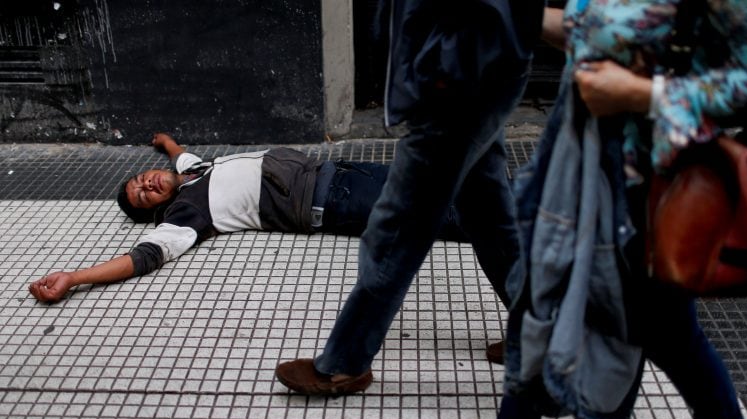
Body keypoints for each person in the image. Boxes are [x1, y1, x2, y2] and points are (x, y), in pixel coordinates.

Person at [436, 0, 747, 419]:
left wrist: (642, 94)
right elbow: (593, 25)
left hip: (652, 188)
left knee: (666, 328)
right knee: (536, 292)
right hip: (582, 168)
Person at [275, 1, 545, 392]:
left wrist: (439, 65)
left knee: (398, 224)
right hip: (473, 66)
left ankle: (344, 361)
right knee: (486, 208)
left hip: (462, 77)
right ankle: (537, 334)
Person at [28, 133, 471, 303]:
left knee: (437, 180)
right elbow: (145, 256)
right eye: (143, 196)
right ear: (154, 212)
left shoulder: (188, 174)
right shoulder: (185, 212)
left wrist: (167, 142)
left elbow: (181, 156)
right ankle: (512, 224)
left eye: (142, 179)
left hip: (334, 170)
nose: (147, 185)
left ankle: (505, 202)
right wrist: (75, 276)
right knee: (437, 210)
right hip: (326, 198)